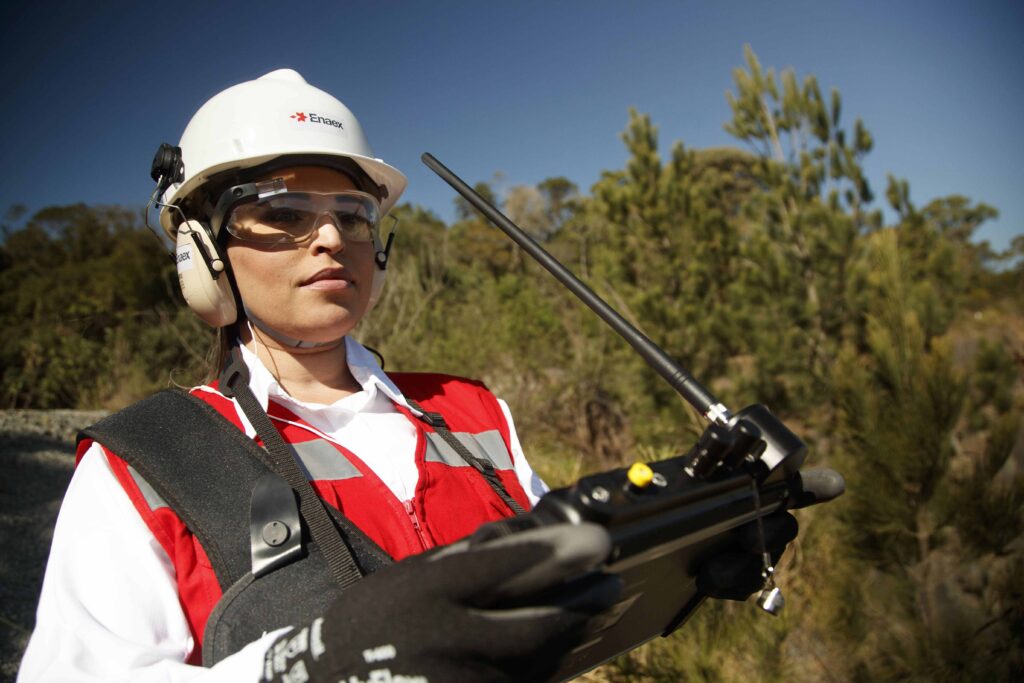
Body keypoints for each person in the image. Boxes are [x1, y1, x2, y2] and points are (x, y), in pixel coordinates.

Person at [19, 69, 795, 683]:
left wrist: (680, 557)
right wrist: (318, 664)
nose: (329, 237)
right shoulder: (147, 463)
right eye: (284, 211)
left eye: (352, 214)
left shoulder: (472, 411)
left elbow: (546, 605)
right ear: (202, 251)